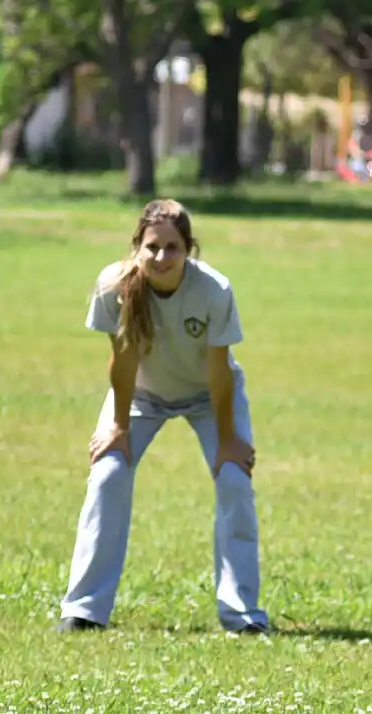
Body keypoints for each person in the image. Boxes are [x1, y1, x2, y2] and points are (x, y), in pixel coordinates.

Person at [57, 199, 271, 635]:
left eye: (173, 247)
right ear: (137, 245)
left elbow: (219, 370)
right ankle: (83, 610)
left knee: (234, 481)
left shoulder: (214, 290)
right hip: (141, 396)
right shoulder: (113, 285)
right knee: (108, 475)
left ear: (189, 250)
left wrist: (228, 439)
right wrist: (117, 426)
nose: (161, 257)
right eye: (152, 246)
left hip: (208, 397)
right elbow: (122, 360)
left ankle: (243, 616)